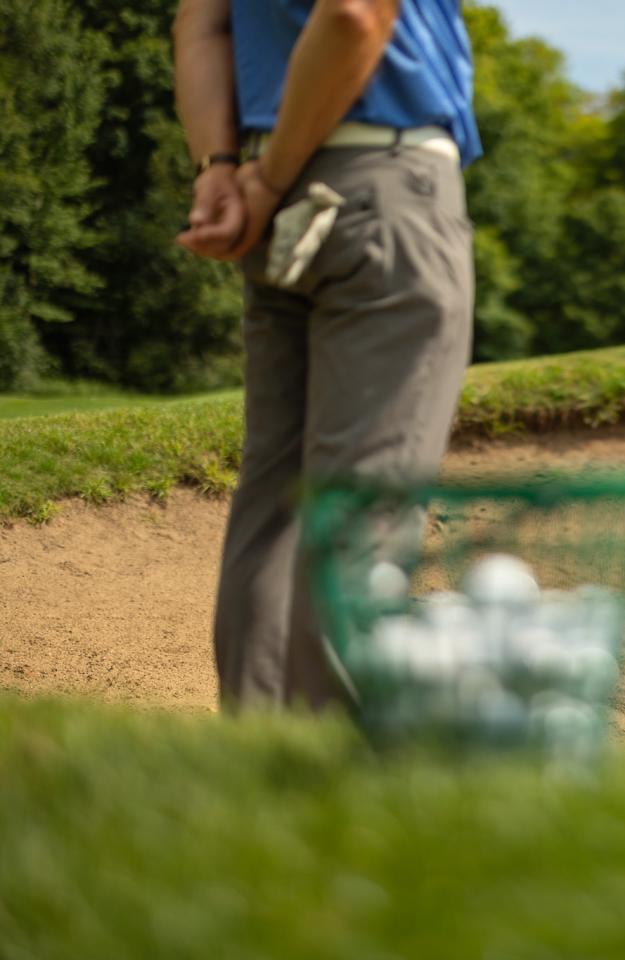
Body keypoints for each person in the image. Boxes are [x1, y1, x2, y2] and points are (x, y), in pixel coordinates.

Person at [172, 0, 481, 710]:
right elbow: (353, 13)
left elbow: (201, 22)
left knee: (273, 508)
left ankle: (259, 766)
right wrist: (273, 174)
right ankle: (333, 783)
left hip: (268, 201)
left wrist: (221, 170)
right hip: (380, 188)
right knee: (361, 512)